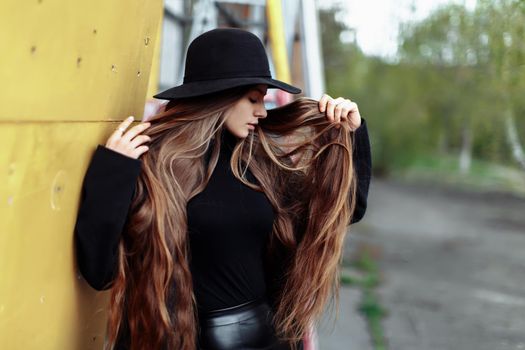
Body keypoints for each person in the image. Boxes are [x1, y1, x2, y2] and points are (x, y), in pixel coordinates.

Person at [74, 28, 372, 350]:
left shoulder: (259, 164)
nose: (262, 111)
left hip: (270, 339)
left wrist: (352, 134)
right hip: (175, 339)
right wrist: (114, 170)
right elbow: (99, 269)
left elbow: (343, 209)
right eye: (254, 98)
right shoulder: (156, 164)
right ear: (221, 95)